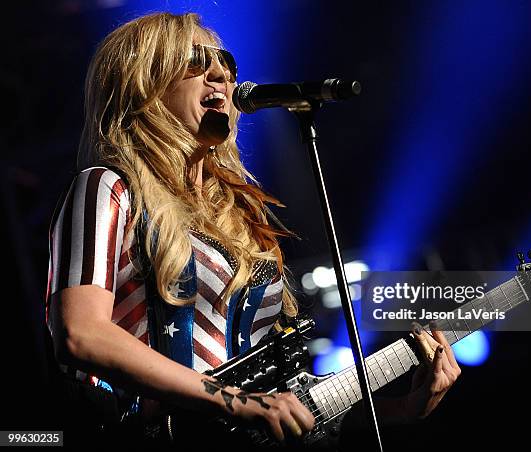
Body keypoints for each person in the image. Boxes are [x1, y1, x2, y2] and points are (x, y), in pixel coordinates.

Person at [44, 11, 460, 449]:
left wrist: (399, 410)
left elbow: (284, 402)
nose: (220, 73)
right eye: (195, 60)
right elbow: (80, 334)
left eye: (225, 62)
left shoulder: (240, 217)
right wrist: (235, 401)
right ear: (142, 84)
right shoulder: (108, 187)